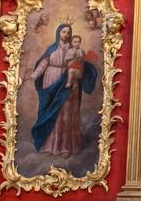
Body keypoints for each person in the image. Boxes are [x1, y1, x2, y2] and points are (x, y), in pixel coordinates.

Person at [30, 24, 99, 157]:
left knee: (66, 112)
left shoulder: (74, 48)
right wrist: (35, 74)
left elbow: (81, 64)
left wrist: (81, 65)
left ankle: (65, 147)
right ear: (58, 33)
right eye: (63, 32)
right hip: (50, 79)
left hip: (67, 79)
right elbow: (44, 63)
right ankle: (49, 144)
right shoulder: (52, 48)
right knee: (50, 110)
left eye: (68, 32)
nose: (66, 35)